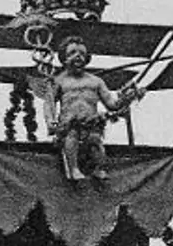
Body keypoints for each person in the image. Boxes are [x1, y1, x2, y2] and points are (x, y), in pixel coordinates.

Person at [42, 36, 143, 182]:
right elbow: (49, 103)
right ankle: (74, 168)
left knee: (96, 143)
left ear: (87, 58)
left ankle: (98, 168)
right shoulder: (59, 81)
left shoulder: (96, 81)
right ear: (64, 58)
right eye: (72, 53)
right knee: (72, 138)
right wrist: (50, 120)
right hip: (69, 124)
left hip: (92, 123)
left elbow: (112, 104)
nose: (78, 56)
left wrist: (125, 98)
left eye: (82, 54)